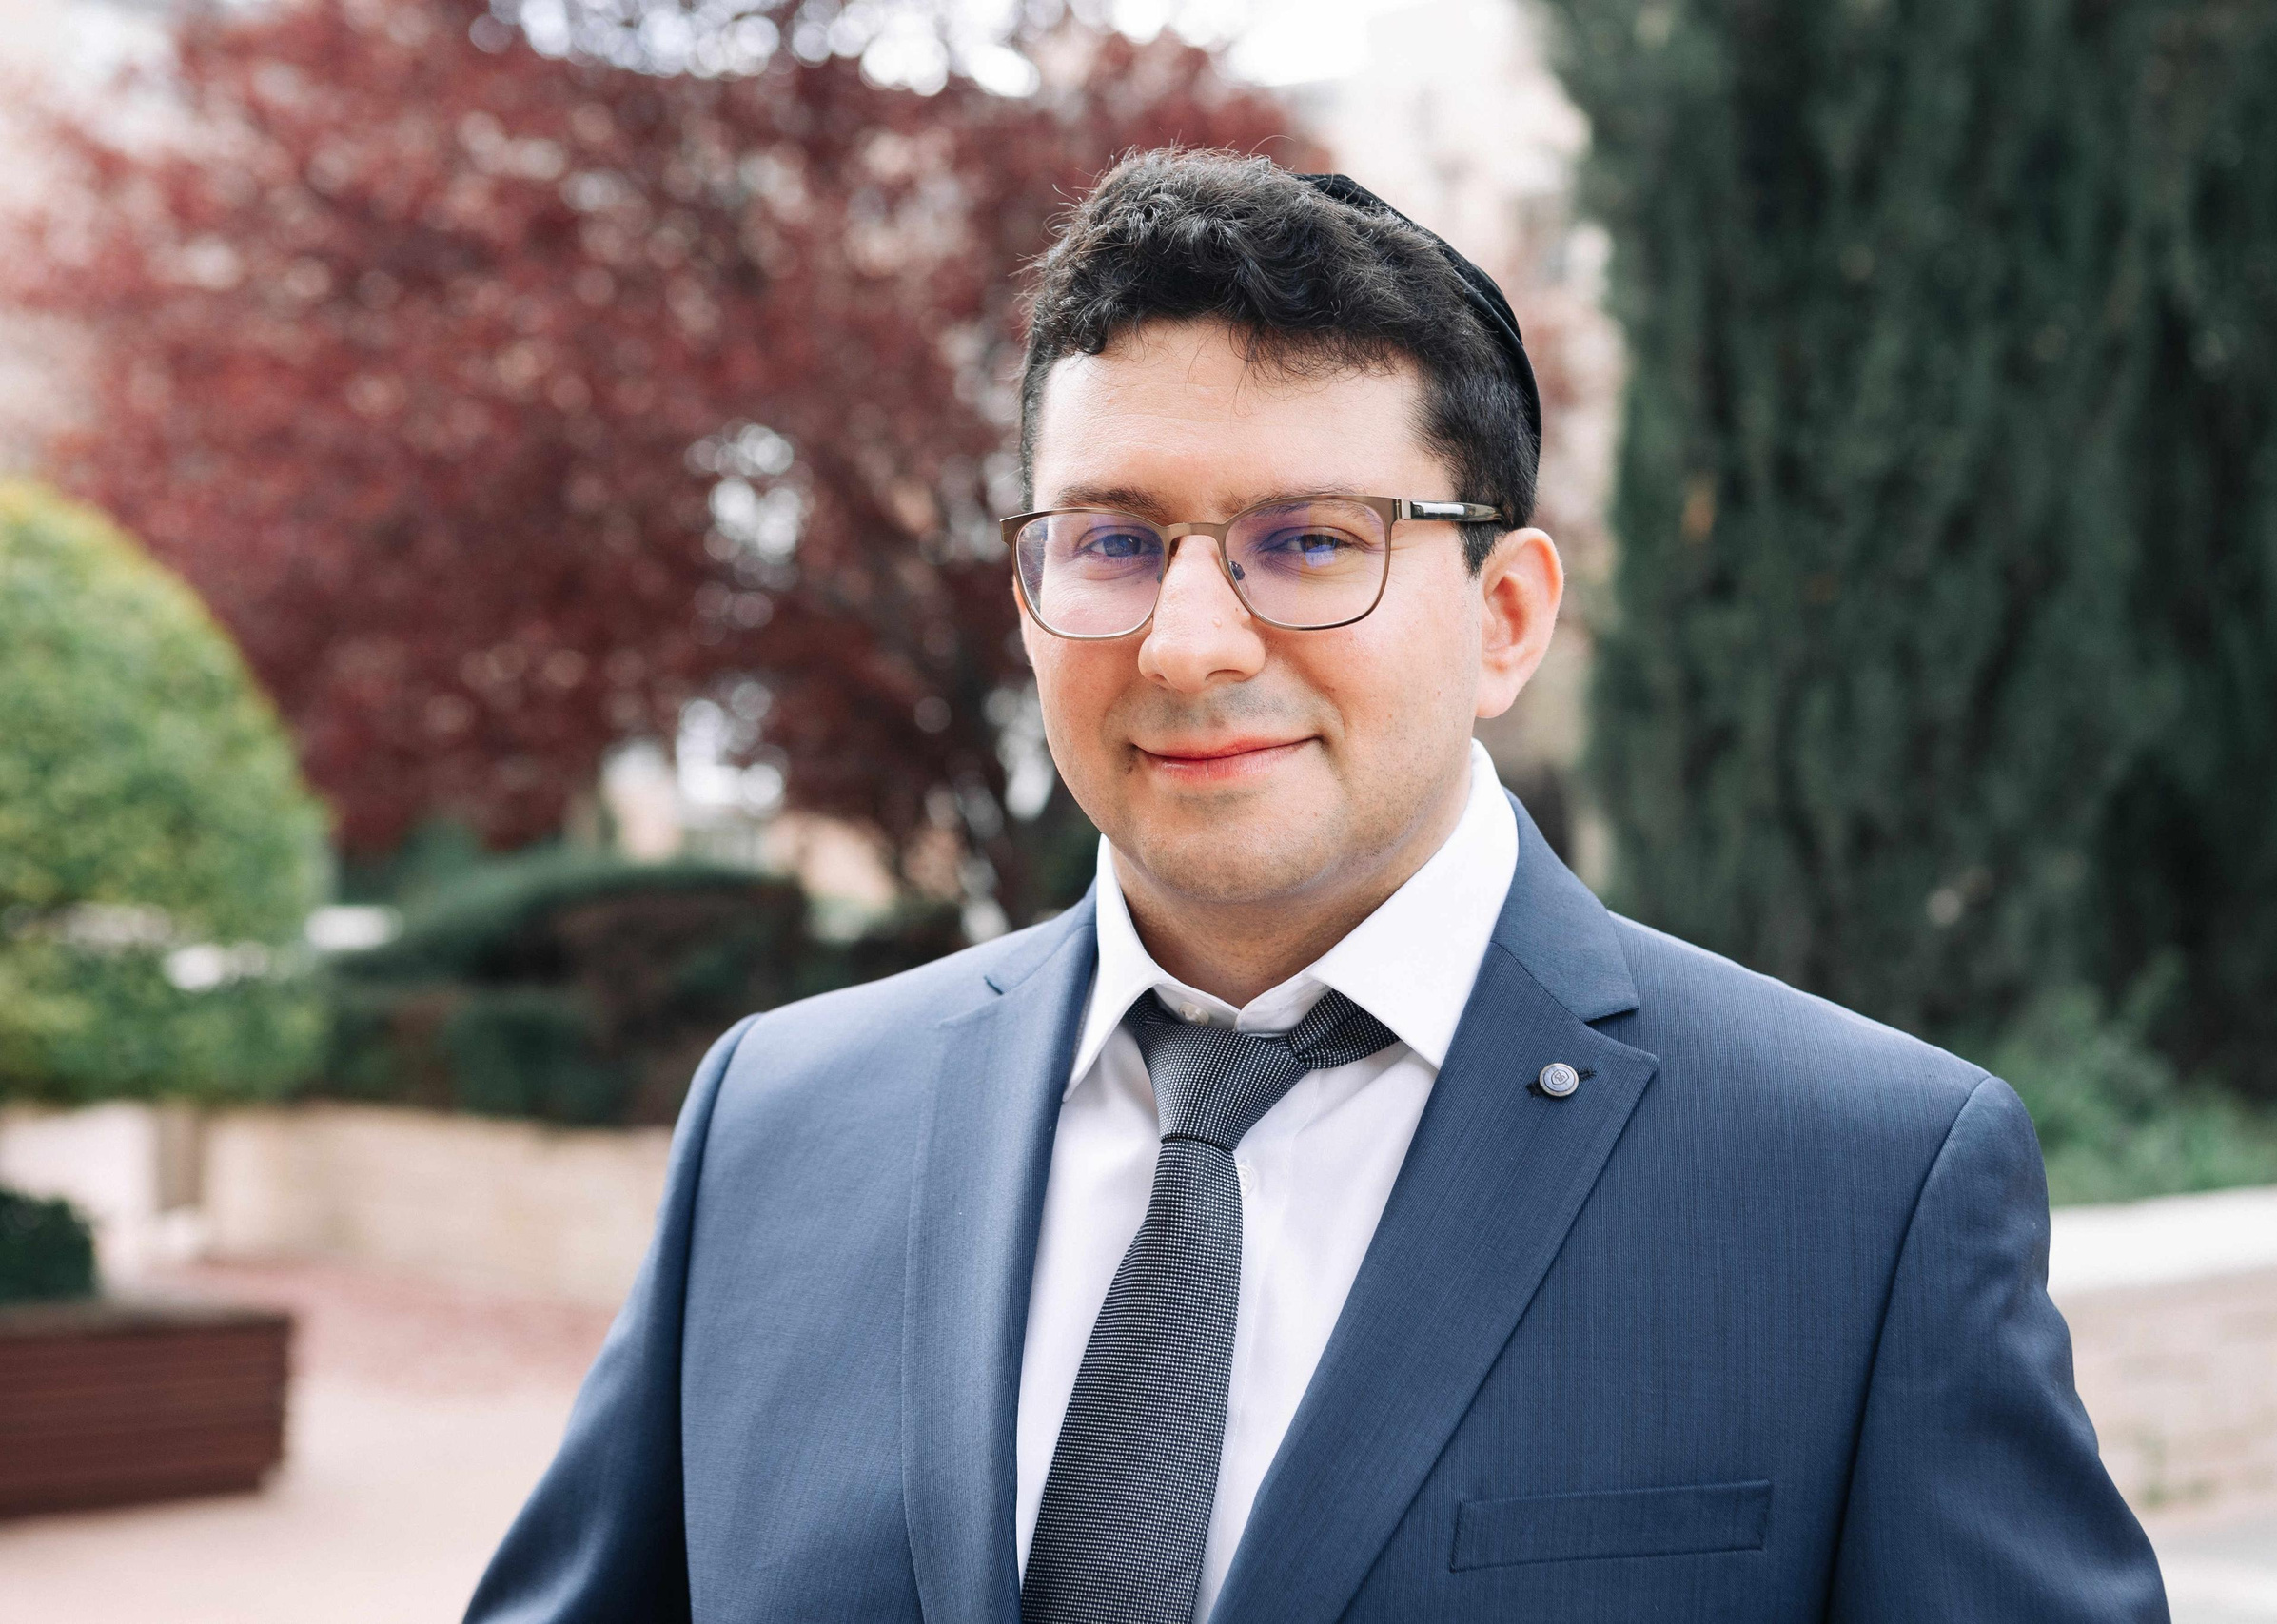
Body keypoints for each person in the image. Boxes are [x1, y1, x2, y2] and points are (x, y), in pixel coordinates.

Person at [466, 150, 2169, 1624]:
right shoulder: (782, 1121)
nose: (1191, 644)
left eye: (1310, 542)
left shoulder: (1859, 1189)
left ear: (1506, 618)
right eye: (1115, 540)